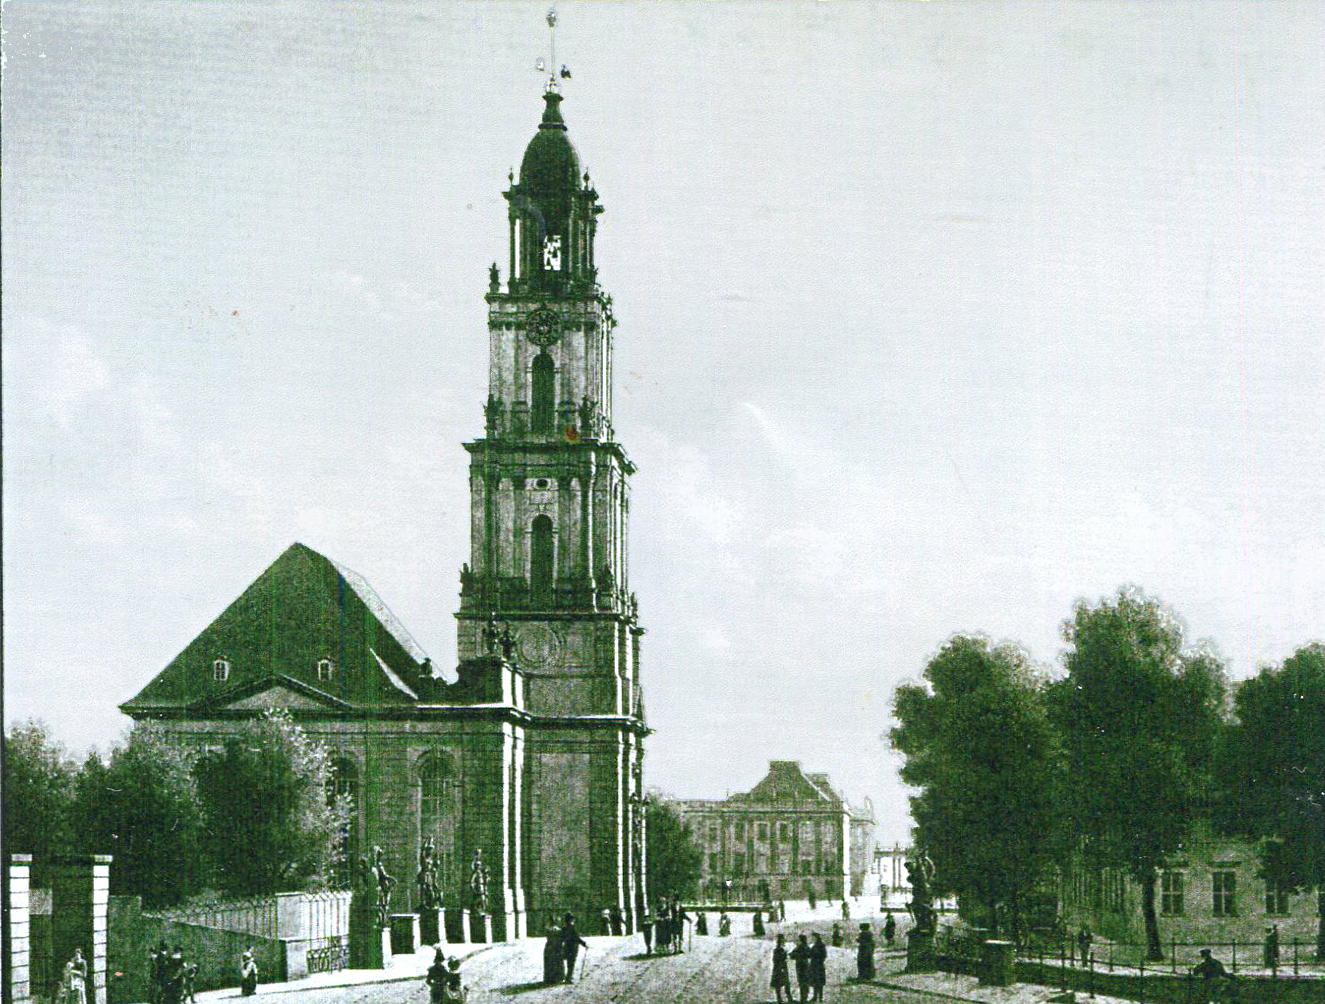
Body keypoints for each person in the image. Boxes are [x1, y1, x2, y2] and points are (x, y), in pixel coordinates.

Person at [560, 913, 588, 983]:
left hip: (566, 947)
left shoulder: (564, 928)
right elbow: (577, 938)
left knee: (568, 962)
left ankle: (568, 977)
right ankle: (569, 978)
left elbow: (562, 938)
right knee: (571, 963)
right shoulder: (573, 928)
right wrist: (584, 944)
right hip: (573, 947)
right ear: (571, 920)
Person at [790, 934, 812, 1004]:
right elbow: (810, 955)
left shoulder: (798, 948)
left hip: (800, 967)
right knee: (805, 983)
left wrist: (797, 956)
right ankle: (804, 998)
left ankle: (803, 999)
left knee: (802, 983)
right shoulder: (807, 947)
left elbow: (792, 955)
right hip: (806, 966)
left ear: (800, 940)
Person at [771, 933, 792, 1004]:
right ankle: (785, 999)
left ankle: (784, 998)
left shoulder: (780, 949)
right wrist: (781, 967)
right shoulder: (778, 950)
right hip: (780, 969)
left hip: (780, 968)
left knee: (782, 984)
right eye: (783, 941)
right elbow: (776, 960)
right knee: (782, 984)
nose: (784, 942)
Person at [809, 932, 828, 1002]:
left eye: (813, 937)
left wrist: (817, 958)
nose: (812, 939)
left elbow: (824, 955)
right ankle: (817, 997)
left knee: (818, 982)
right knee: (817, 982)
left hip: (817, 966)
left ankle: (818, 997)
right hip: (817, 965)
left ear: (816, 937)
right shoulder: (817, 945)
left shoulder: (819, 945)